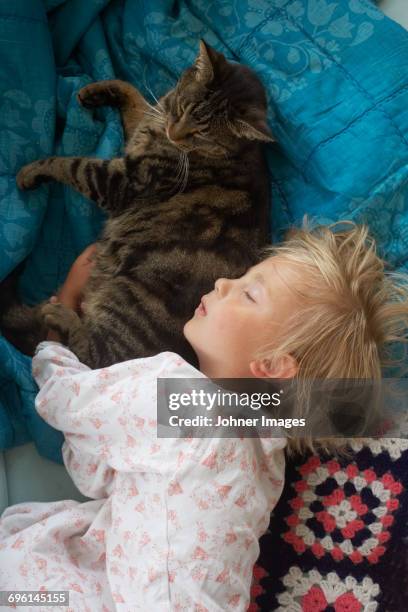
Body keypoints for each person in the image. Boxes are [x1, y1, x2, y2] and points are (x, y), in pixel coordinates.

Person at [0, 221, 406, 611]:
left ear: (271, 364)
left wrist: (62, 310)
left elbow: (66, 402)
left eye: (249, 294)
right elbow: (107, 472)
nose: (224, 283)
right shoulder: (267, 458)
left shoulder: (189, 402)